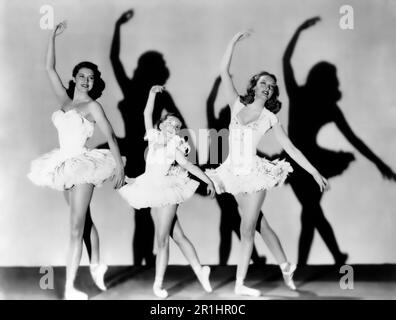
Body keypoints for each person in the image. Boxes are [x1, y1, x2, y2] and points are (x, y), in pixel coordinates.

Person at [206, 31, 329, 297]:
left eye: (271, 86)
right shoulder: (236, 104)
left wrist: (314, 171)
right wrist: (233, 41)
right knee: (260, 224)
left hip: (254, 173)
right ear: (254, 85)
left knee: (246, 228)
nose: (267, 87)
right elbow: (223, 71)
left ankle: (240, 285)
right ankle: (286, 265)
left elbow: (291, 148)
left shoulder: (270, 117)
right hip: (232, 173)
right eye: (263, 82)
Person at [283, 17, 396, 265]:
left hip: (303, 161)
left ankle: (316, 261)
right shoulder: (322, 104)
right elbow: (354, 141)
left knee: (310, 211)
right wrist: (379, 164)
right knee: (311, 211)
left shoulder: (301, 96)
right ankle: (331, 257)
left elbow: (286, 61)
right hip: (307, 161)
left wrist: (298, 31)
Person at [28, 21, 125, 300]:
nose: (85, 81)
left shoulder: (93, 106)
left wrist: (119, 166)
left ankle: (71, 286)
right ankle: (97, 265)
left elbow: (112, 137)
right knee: (83, 223)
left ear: (95, 83)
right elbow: (49, 69)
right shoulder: (65, 100)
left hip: (83, 166)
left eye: (91, 78)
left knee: (74, 227)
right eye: (82, 76)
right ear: (75, 78)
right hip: (63, 165)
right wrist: (51, 37)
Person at [118, 85, 216, 299]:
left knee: (161, 240)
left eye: (177, 125)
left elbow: (190, 167)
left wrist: (208, 180)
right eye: (170, 122)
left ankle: (158, 285)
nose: (174, 125)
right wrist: (152, 94)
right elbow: (146, 113)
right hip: (151, 189)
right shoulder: (153, 138)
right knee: (177, 236)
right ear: (161, 125)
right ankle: (201, 270)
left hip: (167, 191)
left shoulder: (175, 146)